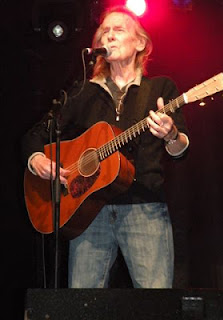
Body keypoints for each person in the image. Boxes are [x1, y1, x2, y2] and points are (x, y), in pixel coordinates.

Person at [21, 5, 189, 289]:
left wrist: (171, 134)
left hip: (144, 209)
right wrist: (37, 159)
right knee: (82, 306)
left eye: (118, 30)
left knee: (155, 304)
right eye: (104, 32)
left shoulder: (160, 88)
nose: (109, 37)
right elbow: (35, 134)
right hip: (89, 212)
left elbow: (181, 149)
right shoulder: (83, 91)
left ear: (140, 43)